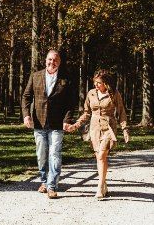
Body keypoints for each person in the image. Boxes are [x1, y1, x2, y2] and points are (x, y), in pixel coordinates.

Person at [21, 49, 75, 199]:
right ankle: (44, 181)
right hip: (39, 122)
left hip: (57, 124)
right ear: (45, 60)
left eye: (55, 60)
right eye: (50, 60)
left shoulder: (66, 79)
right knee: (41, 155)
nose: (52, 62)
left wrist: (67, 120)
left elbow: (71, 103)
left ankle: (52, 186)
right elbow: (26, 97)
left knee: (55, 153)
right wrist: (26, 116)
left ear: (59, 62)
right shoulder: (36, 76)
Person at [69, 69, 130, 199]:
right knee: (99, 157)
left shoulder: (114, 94)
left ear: (106, 83)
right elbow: (86, 112)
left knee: (102, 154)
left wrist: (125, 129)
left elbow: (121, 112)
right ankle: (104, 183)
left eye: (99, 83)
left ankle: (99, 187)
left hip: (109, 127)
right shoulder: (91, 93)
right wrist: (76, 125)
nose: (96, 85)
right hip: (94, 128)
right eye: (95, 82)